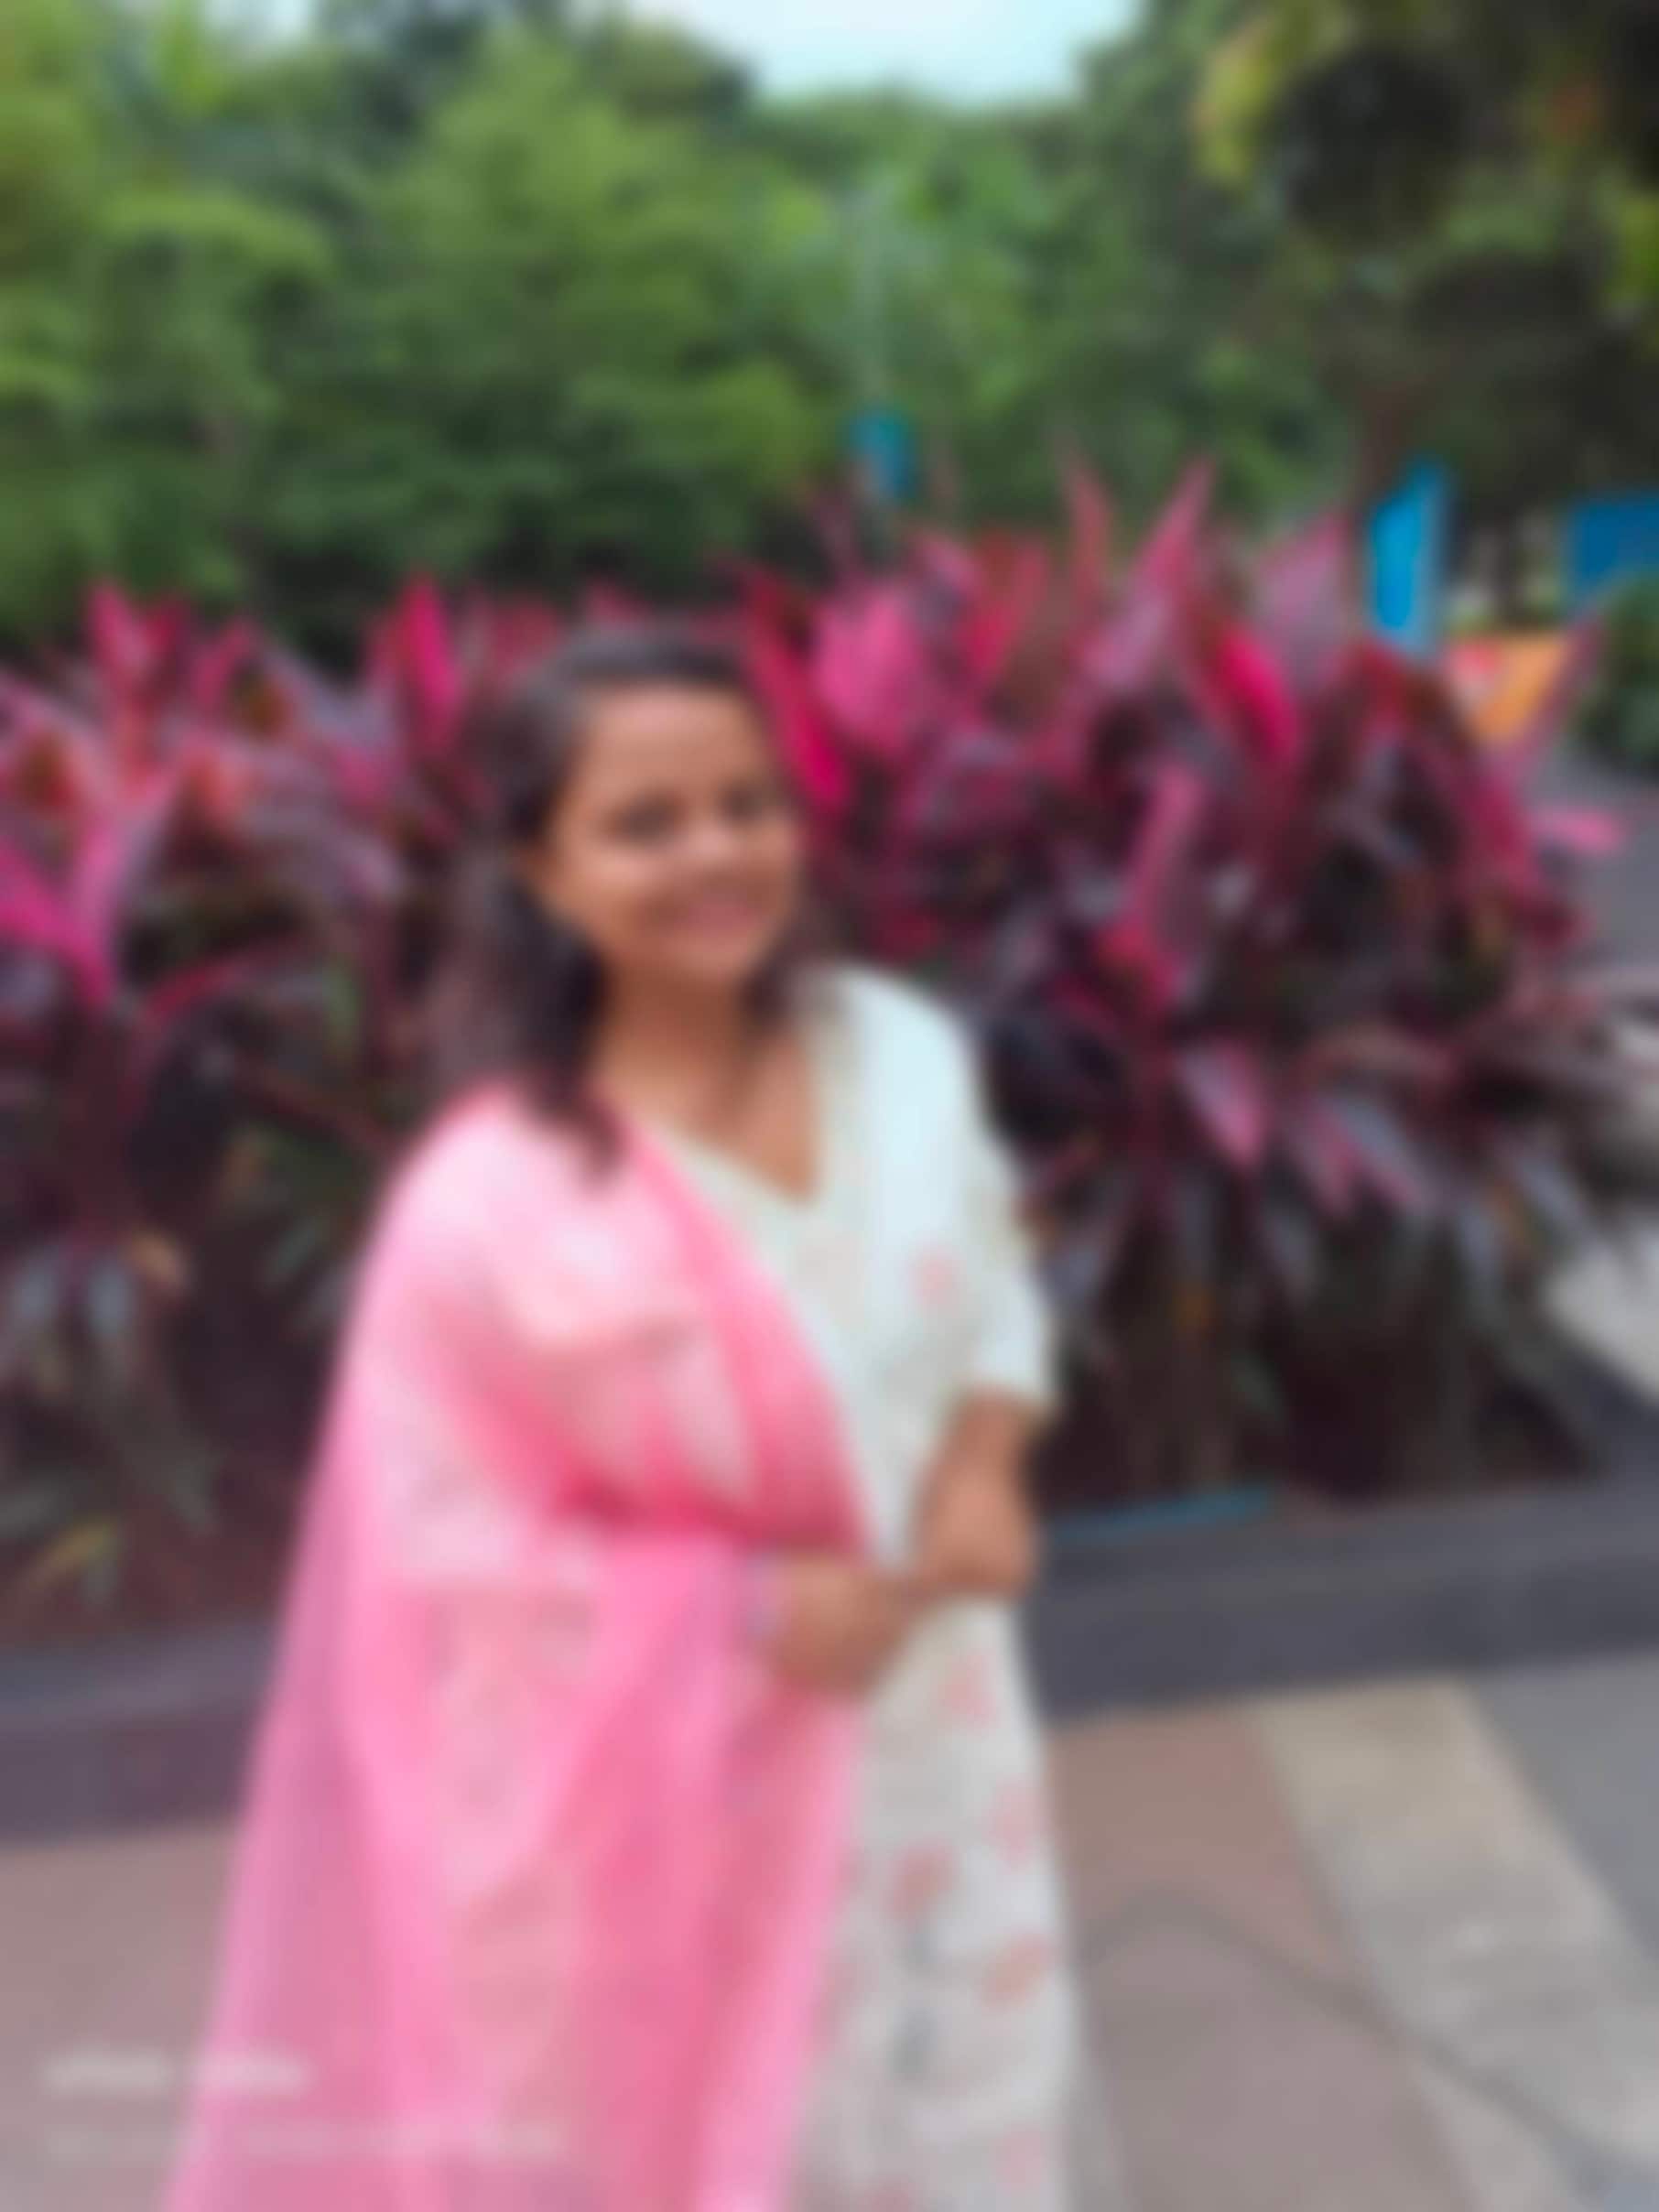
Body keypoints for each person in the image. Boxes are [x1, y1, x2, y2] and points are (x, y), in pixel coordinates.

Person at [162, 623, 1079, 2211]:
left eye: (747, 804)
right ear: (541, 870)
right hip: (677, 1809)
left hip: (942, 1743)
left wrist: (989, 1455)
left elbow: (991, 1268)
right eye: (645, 823)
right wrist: (741, 1605)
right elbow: (439, 1545)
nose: (716, 853)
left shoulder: (900, 1053)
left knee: (962, 2125)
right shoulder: (493, 1202)